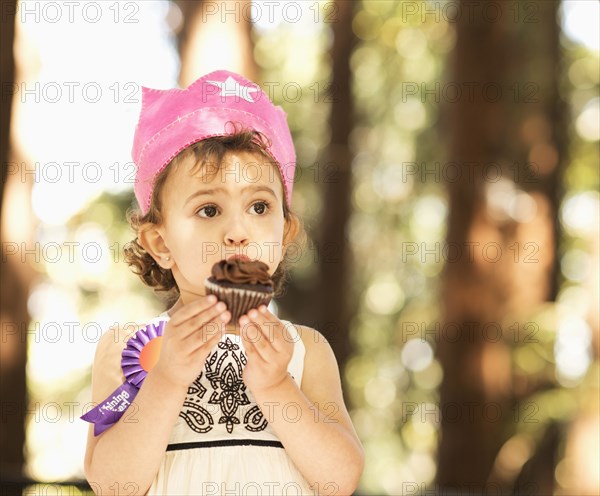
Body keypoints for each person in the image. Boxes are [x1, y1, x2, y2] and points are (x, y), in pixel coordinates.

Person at [82, 70, 364, 495]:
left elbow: (339, 479)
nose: (238, 231)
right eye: (209, 210)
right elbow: (112, 484)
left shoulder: (307, 350)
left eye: (258, 206)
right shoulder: (128, 348)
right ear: (160, 242)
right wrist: (167, 379)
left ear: (284, 235)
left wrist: (276, 386)